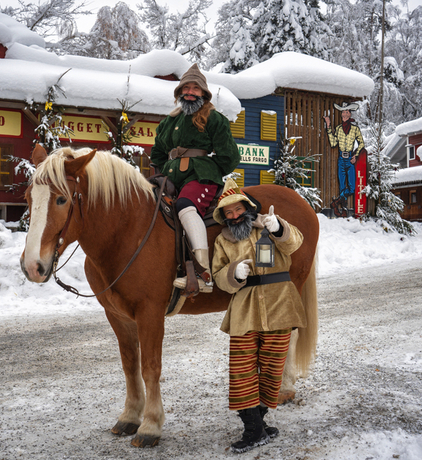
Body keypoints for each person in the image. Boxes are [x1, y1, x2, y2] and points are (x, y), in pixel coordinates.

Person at [211, 178, 307, 454]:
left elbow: (295, 244)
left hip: (280, 304)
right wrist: (232, 274)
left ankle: (259, 425)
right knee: (242, 371)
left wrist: (280, 229)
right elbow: (219, 277)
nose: (234, 215)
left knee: (273, 367)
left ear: (247, 207)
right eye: (228, 213)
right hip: (245, 309)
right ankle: (253, 429)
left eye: (237, 209)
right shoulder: (222, 241)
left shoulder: (268, 225)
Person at [150, 64, 241, 293]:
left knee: (185, 205)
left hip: (201, 178)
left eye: (195, 88)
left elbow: (230, 157)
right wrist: (164, 174)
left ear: (204, 93)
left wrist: (208, 170)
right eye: (186, 88)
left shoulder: (214, 119)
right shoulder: (168, 122)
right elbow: (158, 153)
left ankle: (203, 274)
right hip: (171, 179)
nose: (190, 92)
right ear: (180, 92)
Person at [323, 102, 366, 212]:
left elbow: (361, 143)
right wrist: (328, 126)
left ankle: (337, 201)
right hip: (341, 159)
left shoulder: (355, 129)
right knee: (342, 186)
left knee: (352, 188)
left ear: (350, 114)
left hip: (350, 159)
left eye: (347, 112)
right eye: (343, 112)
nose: (344, 114)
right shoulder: (338, 129)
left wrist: (356, 156)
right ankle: (342, 207)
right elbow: (333, 143)